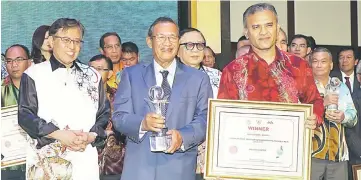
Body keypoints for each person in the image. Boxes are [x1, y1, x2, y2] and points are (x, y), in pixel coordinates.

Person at [112, 17, 212, 180]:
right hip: (139, 168)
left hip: (179, 168)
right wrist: (142, 124)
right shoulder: (131, 75)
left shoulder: (198, 79)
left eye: (172, 37)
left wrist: (182, 136)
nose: (168, 43)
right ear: (150, 42)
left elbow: (205, 119)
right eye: (161, 37)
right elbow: (119, 117)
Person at [18, 18, 109, 180]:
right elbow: (25, 115)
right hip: (47, 161)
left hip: (85, 157)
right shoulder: (33, 74)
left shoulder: (92, 75)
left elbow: (103, 114)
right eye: (66, 40)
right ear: (52, 41)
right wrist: (58, 134)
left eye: (76, 41)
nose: (72, 46)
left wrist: (91, 136)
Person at [218, 2, 324, 135]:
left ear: (277, 28)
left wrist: (314, 117)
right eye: (256, 27)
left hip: (289, 143)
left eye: (269, 25)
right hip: (247, 147)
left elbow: (314, 100)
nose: (263, 32)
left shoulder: (298, 65)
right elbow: (225, 116)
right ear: (246, 32)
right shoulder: (232, 71)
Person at [176, 28, 221, 180]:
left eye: (200, 45)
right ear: (177, 49)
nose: (195, 50)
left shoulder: (217, 75)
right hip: (179, 146)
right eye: (189, 45)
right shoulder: (168, 77)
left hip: (212, 147)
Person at [310, 47, 357, 180]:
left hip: (338, 153)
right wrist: (322, 103)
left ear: (331, 65)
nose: (319, 65)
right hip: (312, 153)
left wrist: (343, 117)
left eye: (323, 61)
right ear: (310, 64)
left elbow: (353, 116)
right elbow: (298, 115)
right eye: (315, 61)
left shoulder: (340, 86)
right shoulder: (304, 86)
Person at [1, 44, 32, 179]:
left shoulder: (43, 88)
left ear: (29, 62)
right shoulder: (1, 90)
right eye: (9, 61)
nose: (14, 65)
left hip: (37, 160)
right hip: (7, 163)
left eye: (19, 59)